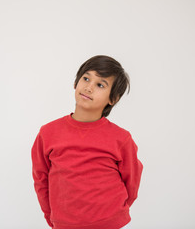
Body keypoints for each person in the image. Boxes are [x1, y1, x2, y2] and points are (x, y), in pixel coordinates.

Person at [31, 55, 143, 229]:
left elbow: (132, 182)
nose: (89, 87)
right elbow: (41, 179)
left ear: (113, 99)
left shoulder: (121, 138)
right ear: (76, 83)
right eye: (86, 78)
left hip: (110, 223)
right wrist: (52, 217)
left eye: (100, 85)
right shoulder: (48, 133)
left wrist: (113, 214)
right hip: (64, 224)